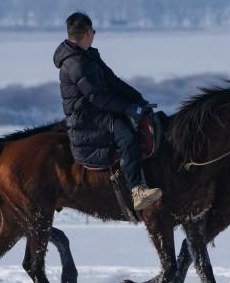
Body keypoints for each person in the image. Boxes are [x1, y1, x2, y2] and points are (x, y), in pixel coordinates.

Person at [53, 12, 162, 211]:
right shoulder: (75, 63)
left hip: (99, 113)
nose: (94, 34)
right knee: (127, 136)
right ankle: (137, 191)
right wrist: (129, 108)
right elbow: (97, 97)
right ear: (87, 32)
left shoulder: (88, 56)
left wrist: (138, 100)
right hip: (87, 120)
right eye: (93, 31)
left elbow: (114, 82)